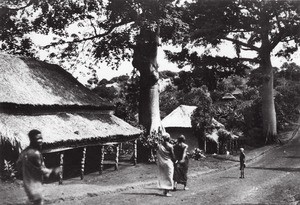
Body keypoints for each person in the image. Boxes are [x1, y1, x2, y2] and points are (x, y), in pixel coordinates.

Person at [17, 129, 61, 205]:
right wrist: (54, 170)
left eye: (41, 138)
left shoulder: (24, 152)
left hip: (28, 184)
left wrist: (28, 171)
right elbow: (42, 170)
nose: (40, 141)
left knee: (31, 202)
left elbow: (18, 164)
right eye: (37, 139)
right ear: (32, 139)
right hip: (35, 186)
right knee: (37, 202)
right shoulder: (35, 153)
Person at [157, 132, 176, 197]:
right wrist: (175, 161)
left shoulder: (160, 146)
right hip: (168, 162)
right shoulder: (170, 146)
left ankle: (165, 191)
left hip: (162, 163)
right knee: (169, 176)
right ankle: (166, 191)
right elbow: (173, 155)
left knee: (164, 176)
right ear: (168, 138)